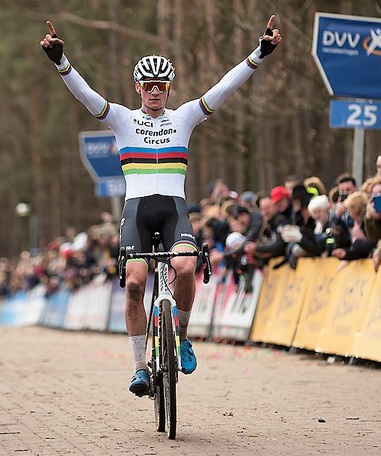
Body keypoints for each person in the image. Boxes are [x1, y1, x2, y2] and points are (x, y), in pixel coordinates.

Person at [41, 17, 282, 396]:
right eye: (148, 86)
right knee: (135, 283)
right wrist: (61, 62)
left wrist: (259, 54)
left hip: (173, 209)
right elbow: (86, 96)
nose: (155, 92)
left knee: (185, 268)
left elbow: (224, 87)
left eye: (161, 86)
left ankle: (182, 337)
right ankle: (139, 366)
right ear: (138, 88)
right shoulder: (123, 119)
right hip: (136, 210)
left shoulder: (184, 116)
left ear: (168, 89)